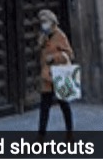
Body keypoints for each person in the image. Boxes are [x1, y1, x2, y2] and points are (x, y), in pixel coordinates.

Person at [35, 8, 74, 137]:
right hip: (47, 76)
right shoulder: (44, 36)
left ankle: (70, 133)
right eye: (41, 21)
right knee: (44, 107)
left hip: (60, 74)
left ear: (52, 21)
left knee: (64, 105)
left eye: (45, 21)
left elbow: (69, 54)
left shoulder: (60, 35)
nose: (43, 24)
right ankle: (41, 136)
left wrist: (54, 57)